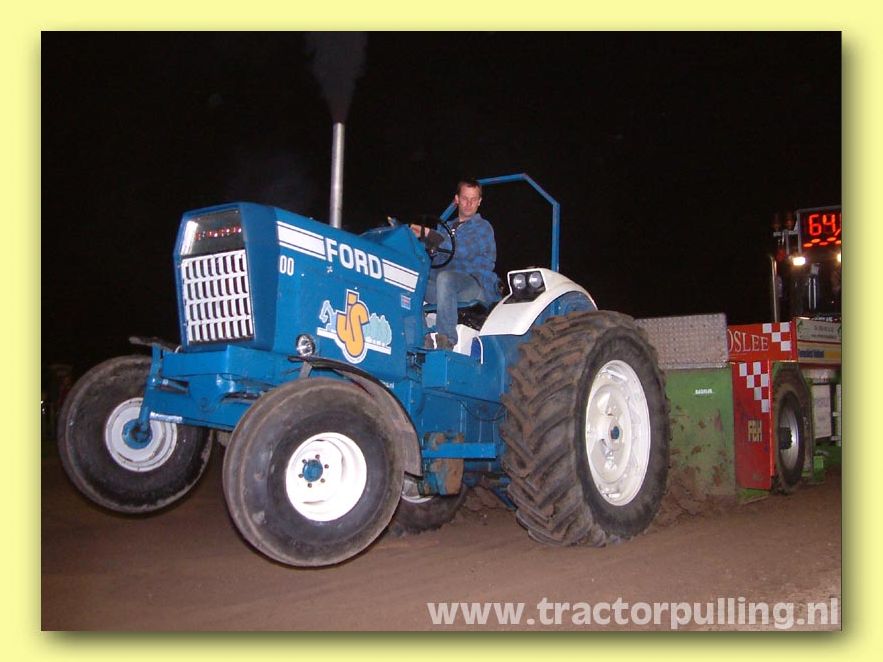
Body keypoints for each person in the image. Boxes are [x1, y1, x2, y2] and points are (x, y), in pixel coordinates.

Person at [411, 178, 499, 349]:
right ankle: (422, 337)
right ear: (457, 199)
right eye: (465, 198)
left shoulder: (483, 227)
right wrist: (423, 245)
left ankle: (446, 340)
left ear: (479, 202)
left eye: (473, 199)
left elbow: (461, 250)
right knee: (413, 279)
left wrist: (430, 235)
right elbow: (437, 258)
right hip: (444, 287)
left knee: (446, 278)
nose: (469, 203)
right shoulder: (445, 227)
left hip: (473, 285)